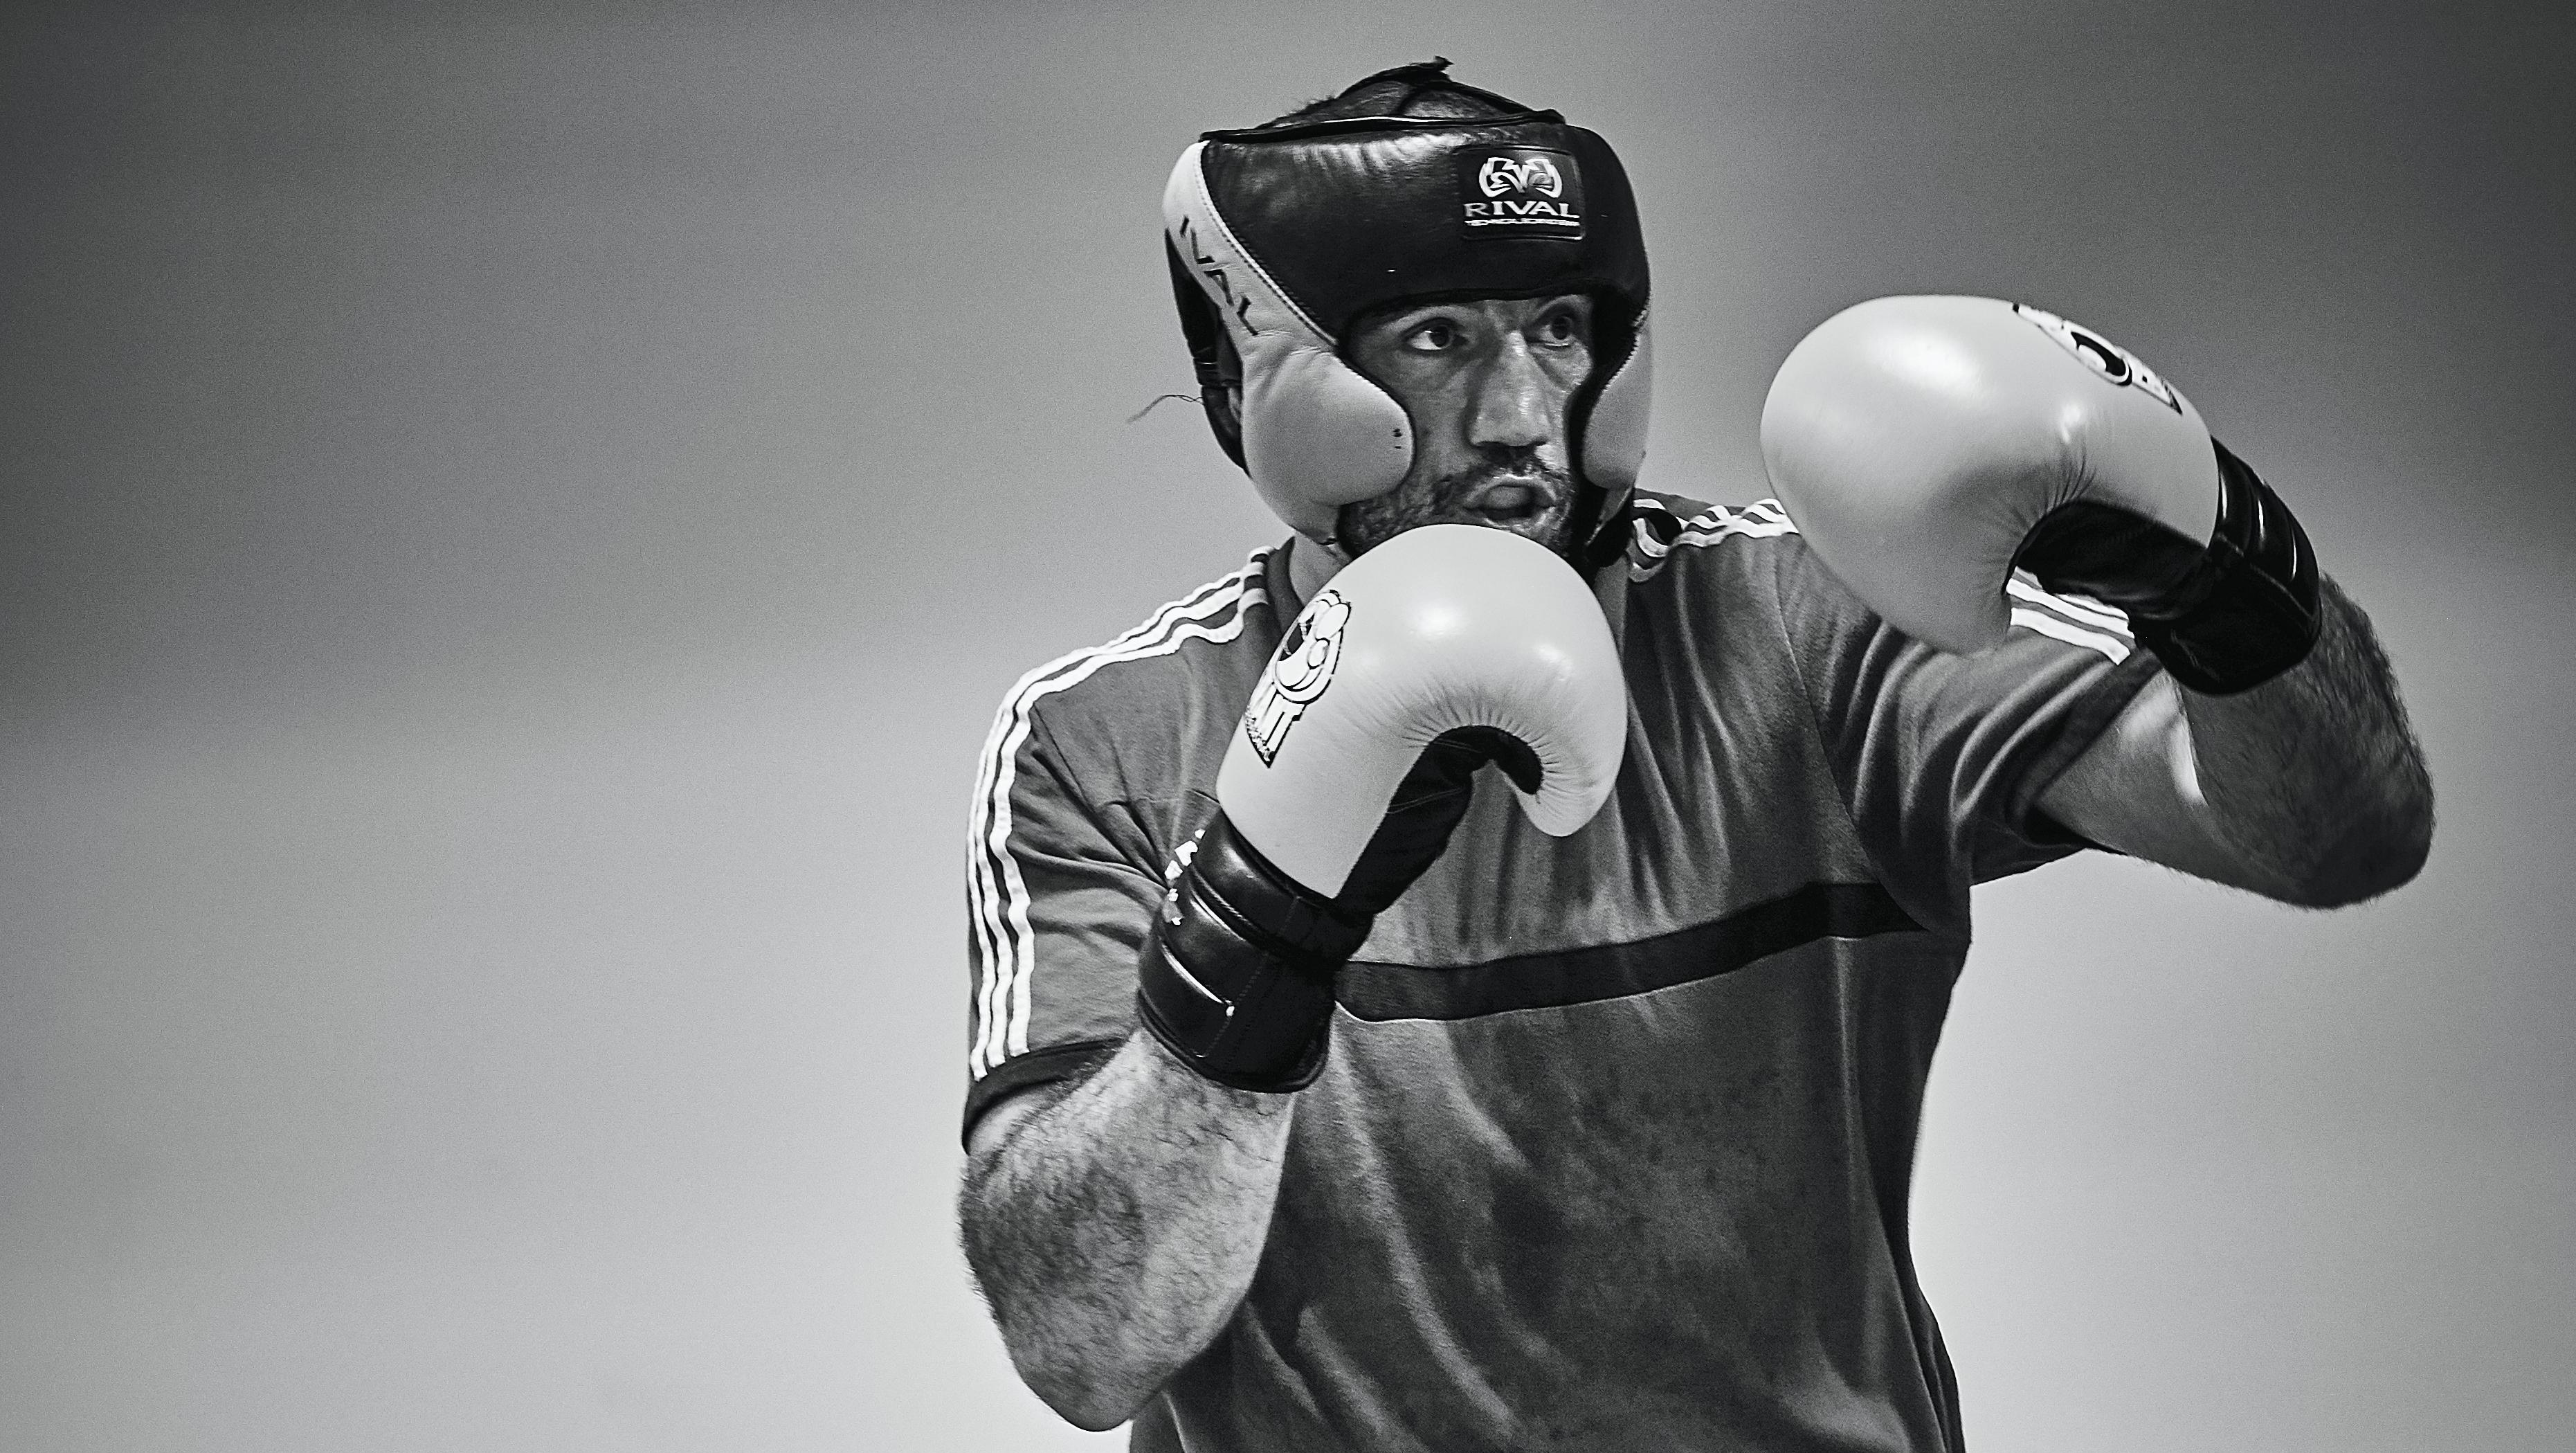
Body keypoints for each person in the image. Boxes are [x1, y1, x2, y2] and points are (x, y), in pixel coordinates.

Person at [955, 59, 2433, 1451]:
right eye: (1435, 338)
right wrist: (1262, 927)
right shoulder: (1113, 740)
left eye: (1557, 331)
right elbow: (1083, 1345)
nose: (1519, 416)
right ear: (1258, 378)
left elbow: (2338, 836)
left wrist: (2227, 575)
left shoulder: (1804, 626)